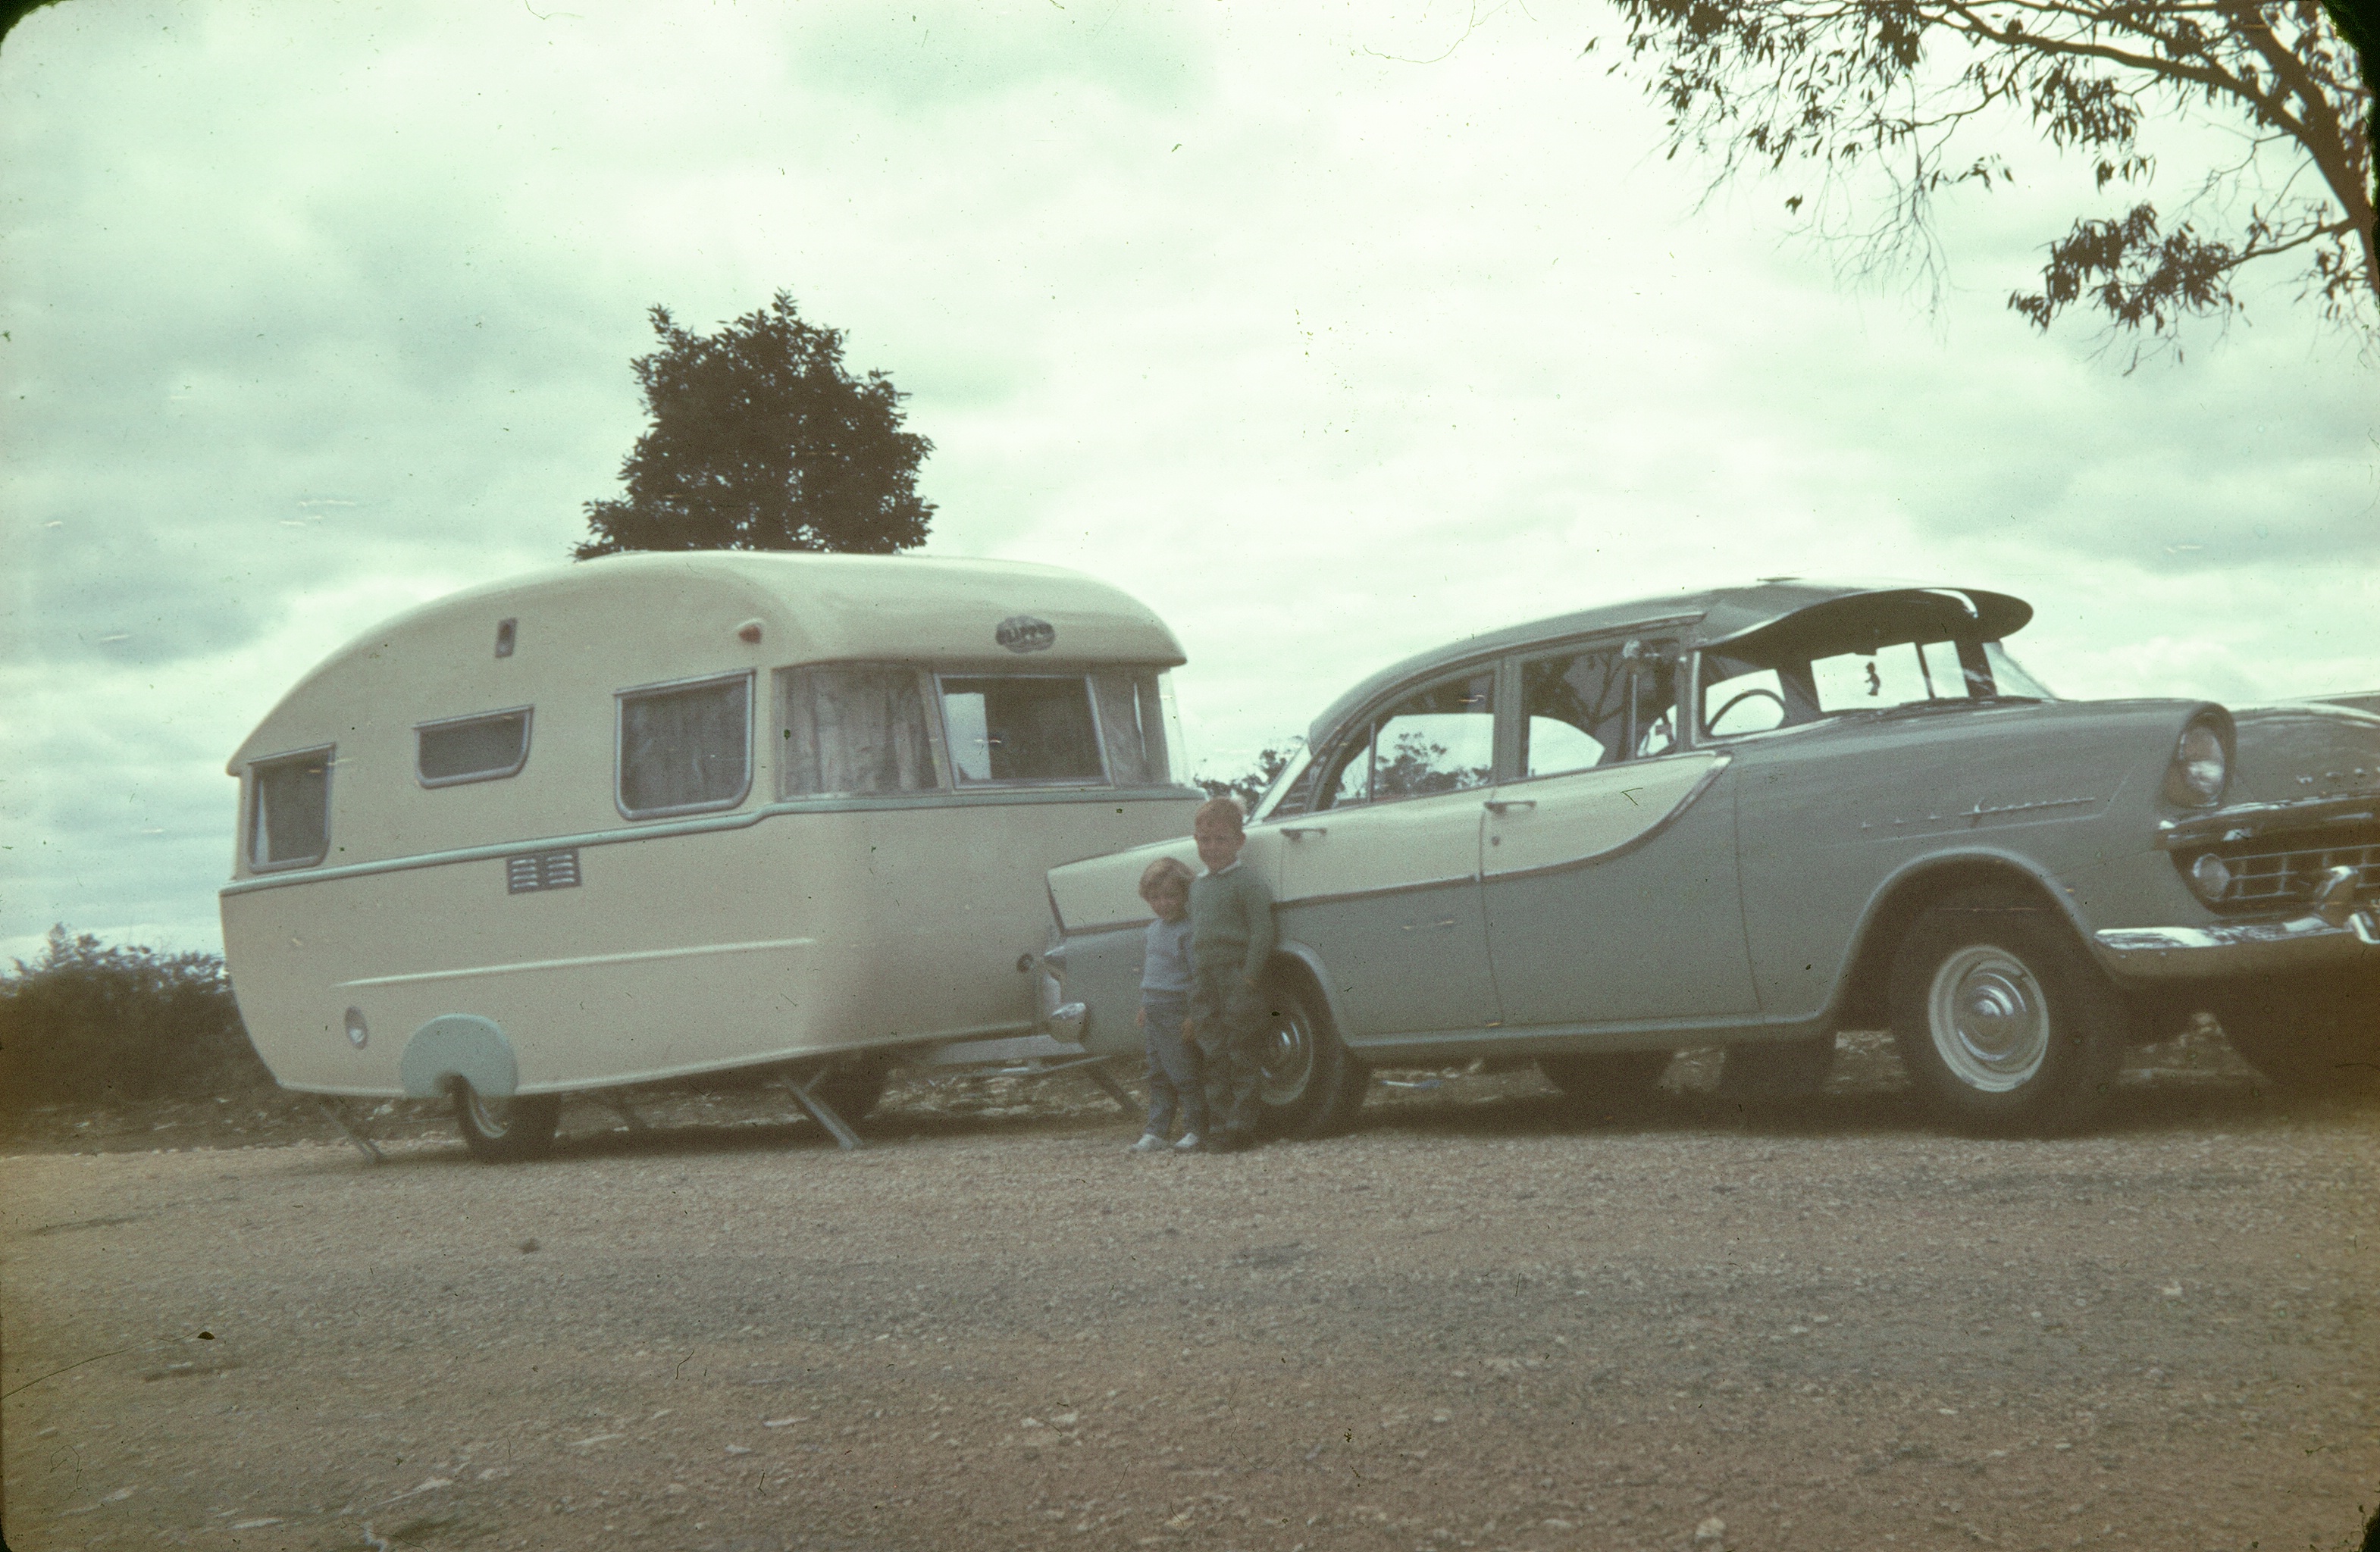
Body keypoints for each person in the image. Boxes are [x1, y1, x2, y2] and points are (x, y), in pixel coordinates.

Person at [1186, 796, 1276, 1153]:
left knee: (1241, 1051)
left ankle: (1241, 1127)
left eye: (1221, 839)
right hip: (1205, 980)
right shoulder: (1197, 887)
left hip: (1238, 977)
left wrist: (1250, 978)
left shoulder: (1249, 882)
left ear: (1239, 842)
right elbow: (1195, 936)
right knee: (1213, 1052)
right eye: (1204, 840)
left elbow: (1262, 932)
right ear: (1196, 841)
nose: (1212, 847)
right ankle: (1219, 1124)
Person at [1126, 856, 1205, 1153]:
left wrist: (1194, 1014)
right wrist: (1146, 1005)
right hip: (1155, 1008)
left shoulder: (1189, 930)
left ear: (1185, 895)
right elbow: (1155, 971)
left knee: (1185, 1072)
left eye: (1171, 896)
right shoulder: (1153, 930)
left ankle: (1197, 1129)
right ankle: (1157, 1131)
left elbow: (1198, 976)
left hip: (1178, 1010)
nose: (1163, 903)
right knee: (1158, 1073)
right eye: (1155, 897)